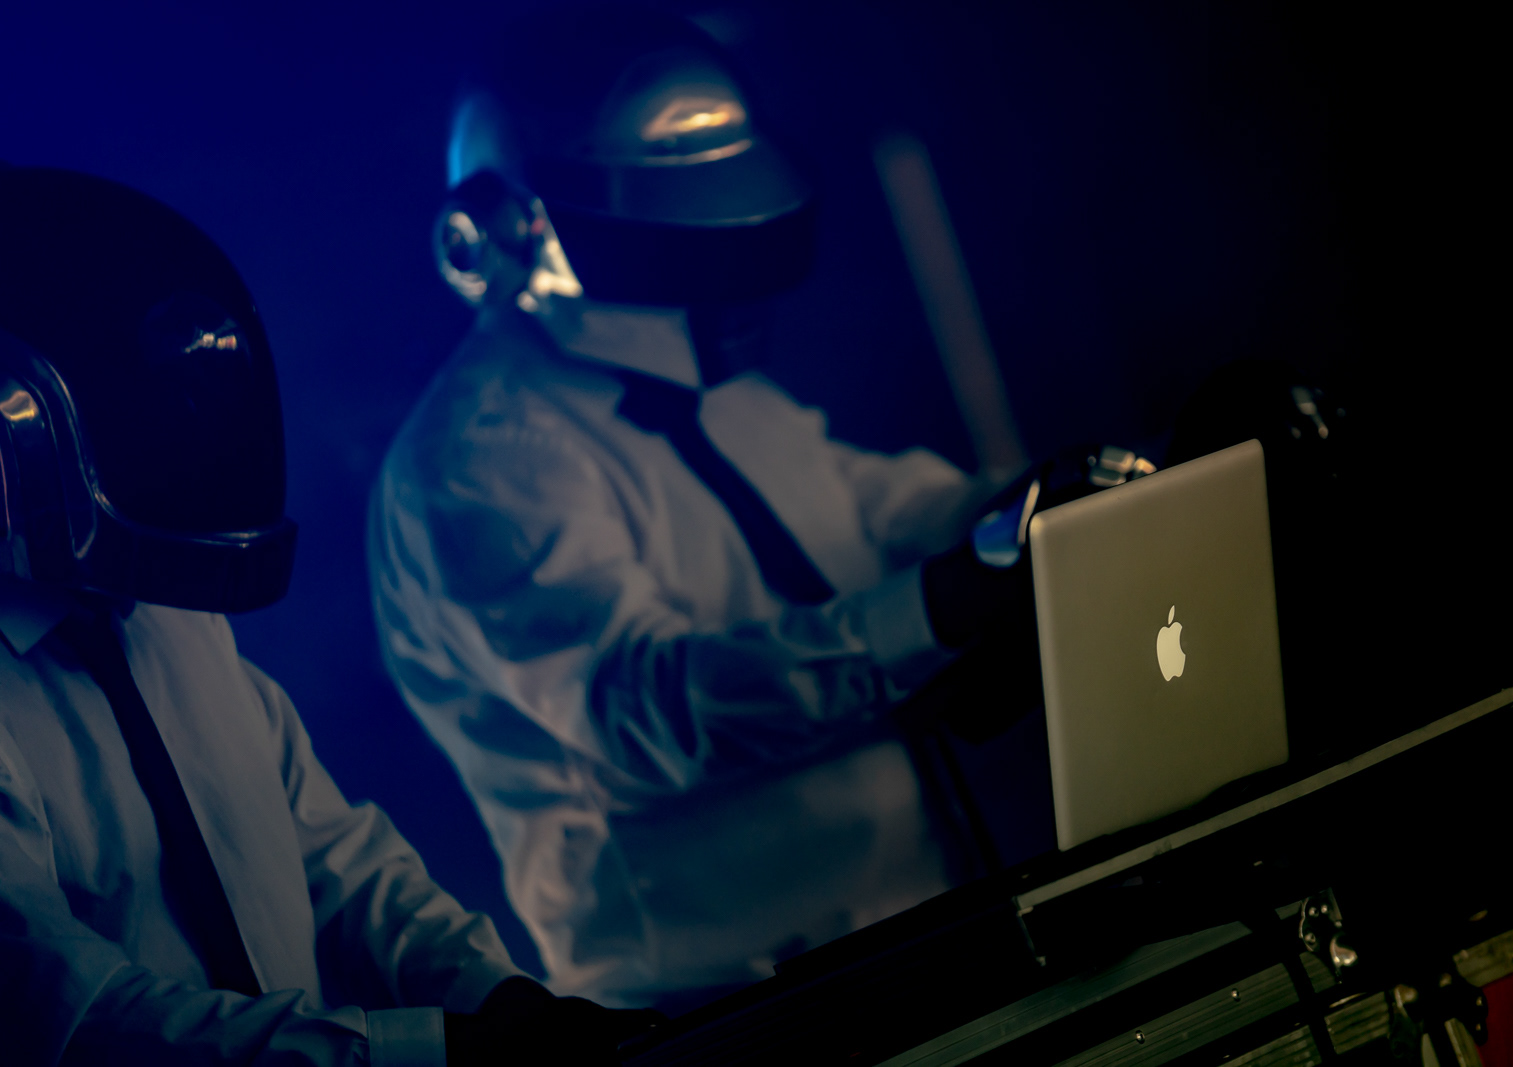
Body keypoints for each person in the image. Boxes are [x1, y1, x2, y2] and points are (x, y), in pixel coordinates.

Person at [366, 5, 1045, 1012]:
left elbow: (873, 510)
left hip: (923, 928)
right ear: (501, 232)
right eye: (657, 230)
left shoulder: (706, 382)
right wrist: (940, 602)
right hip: (730, 1009)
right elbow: (650, 710)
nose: (703, 265)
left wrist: (1056, 507)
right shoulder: (476, 463)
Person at [0, 165, 655, 1066]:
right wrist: (425, 1053)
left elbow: (333, 859)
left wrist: (498, 999)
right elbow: (74, 1017)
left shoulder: (166, 618)